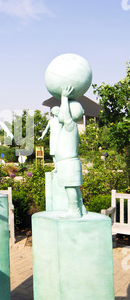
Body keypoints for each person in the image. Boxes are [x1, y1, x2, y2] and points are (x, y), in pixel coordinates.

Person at [55, 85, 86, 218]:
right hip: (68, 162)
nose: (62, 112)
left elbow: (66, 114)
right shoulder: (69, 127)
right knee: (73, 186)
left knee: (70, 187)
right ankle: (81, 207)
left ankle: (74, 210)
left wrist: (64, 97)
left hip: (68, 163)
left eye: (64, 110)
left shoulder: (70, 125)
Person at [38, 106, 61, 170]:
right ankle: (56, 167)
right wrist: (42, 136)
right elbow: (46, 129)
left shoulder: (61, 121)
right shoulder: (51, 121)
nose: (58, 112)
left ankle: (60, 167)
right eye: (56, 111)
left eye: (59, 110)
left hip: (60, 138)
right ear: (53, 112)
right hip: (53, 138)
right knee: (53, 153)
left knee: (60, 153)